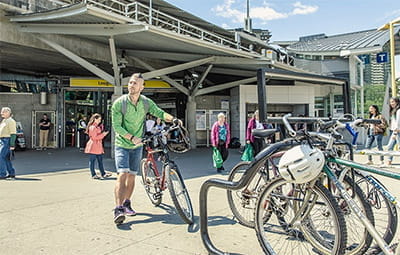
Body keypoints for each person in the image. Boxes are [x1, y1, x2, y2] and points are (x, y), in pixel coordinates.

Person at [111, 73, 178, 225]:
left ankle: (127, 203)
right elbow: (117, 126)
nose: (131, 85)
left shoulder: (146, 103)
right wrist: (131, 137)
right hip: (122, 144)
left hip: (137, 145)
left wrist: (173, 119)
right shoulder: (119, 103)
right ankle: (118, 208)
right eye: (130, 82)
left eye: (135, 83)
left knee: (132, 176)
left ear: (142, 87)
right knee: (122, 174)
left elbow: (159, 113)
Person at [84, 113, 112, 179]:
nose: (100, 121)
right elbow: (94, 137)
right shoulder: (93, 127)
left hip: (97, 145)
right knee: (93, 161)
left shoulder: (96, 126)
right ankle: (94, 174)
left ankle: (103, 173)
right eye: (99, 119)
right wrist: (103, 134)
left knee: (99, 160)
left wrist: (103, 133)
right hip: (94, 145)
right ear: (95, 119)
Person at [0, 107, 17, 180]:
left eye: (3, 112)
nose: (1, 113)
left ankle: (2, 174)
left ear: (8, 112)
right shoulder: (4, 120)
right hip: (2, 140)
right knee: (6, 158)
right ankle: (11, 173)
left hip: (7, 140)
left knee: (1, 156)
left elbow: (13, 133)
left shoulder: (11, 121)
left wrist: (12, 144)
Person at [387, 97, 400, 166]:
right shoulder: (394, 111)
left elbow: (398, 123)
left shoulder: (398, 111)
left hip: (397, 131)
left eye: (393, 102)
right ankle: (389, 161)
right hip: (395, 131)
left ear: (397, 102)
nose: (391, 103)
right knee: (390, 146)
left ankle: (389, 161)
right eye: (390, 102)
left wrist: (395, 133)